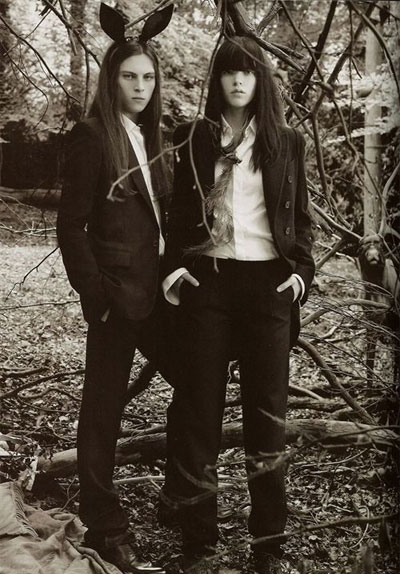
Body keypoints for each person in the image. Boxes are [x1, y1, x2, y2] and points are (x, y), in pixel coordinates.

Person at [161, 36, 315, 574]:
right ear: (218, 79)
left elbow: (301, 221)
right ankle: (198, 542)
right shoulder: (194, 137)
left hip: (269, 287)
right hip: (209, 282)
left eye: (248, 71)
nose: (238, 80)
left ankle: (268, 543)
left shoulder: (286, 141)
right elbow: (177, 212)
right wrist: (175, 269)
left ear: (260, 79)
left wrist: (300, 276)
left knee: (267, 417)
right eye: (229, 71)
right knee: (198, 413)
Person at [57, 4, 173, 573]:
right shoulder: (92, 136)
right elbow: (70, 225)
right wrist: (95, 295)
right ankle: (105, 525)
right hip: (114, 298)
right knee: (102, 409)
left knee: (198, 384)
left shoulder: (157, 137)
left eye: (148, 76)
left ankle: (180, 496)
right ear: (112, 79)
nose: (140, 86)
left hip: (163, 296)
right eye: (129, 76)